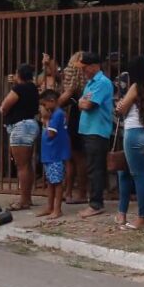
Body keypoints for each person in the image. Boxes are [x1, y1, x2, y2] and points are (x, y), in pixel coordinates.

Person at [114, 56, 144, 230]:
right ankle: (121, 212)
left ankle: (142, 218)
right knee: (124, 172)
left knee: (138, 176)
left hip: (133, 133)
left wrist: (119, 106)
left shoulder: (135, 87)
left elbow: (122, 110)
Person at [76, 51, 115, 219]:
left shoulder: (102, 82)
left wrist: (82, 103)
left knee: (95, 168)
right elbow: (81, 103)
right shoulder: (90, 83)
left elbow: (88, 104)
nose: (83, 71)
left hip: (97, 131)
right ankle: (94, 200)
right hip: (89, 130)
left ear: (94, 66)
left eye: (85, 67)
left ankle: (96, 204)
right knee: (92, 167)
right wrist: (82, 103)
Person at [0, 63, 40, 210]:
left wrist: (2, 110)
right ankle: (27, 198)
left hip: (21, 126)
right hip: (30, 125)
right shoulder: (33, 88)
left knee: (21, 166)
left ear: (19, 75)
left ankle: (23, 200)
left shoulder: (19, 88)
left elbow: (5, 105)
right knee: (27, 164)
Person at [57, 51, 88, 204]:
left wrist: (48, 102)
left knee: (77, 157)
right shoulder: (86, 86)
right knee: (73, 157)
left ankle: (81, 192)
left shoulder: (74, 88)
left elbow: (59, 102)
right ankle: (70, 191)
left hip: (76, 121)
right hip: (77, 120)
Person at [35, 90, 69, 221]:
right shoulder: (54, 114)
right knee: (51, 182)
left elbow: (51, 133)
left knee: (57, 182)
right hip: (49, 153)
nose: (43, 108)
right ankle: (50, 207)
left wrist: (45, 119)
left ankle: (57, 209)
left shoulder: (57, 115)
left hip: (55, 153)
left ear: (52, 101)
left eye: (44, 104)